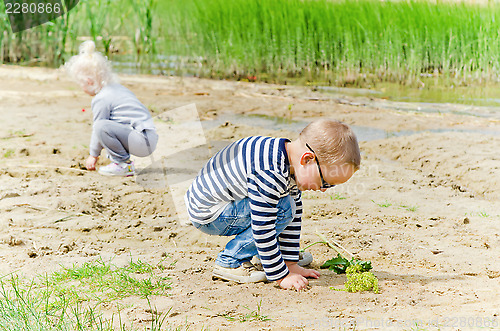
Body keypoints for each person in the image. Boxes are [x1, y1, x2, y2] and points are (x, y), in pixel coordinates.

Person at [185, 119, 360, 290]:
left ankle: (272, 256)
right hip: (209, 212)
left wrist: (290, 263)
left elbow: (295, 214)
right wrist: (282, 275)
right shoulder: (270, 171)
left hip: (226, 204)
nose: (323, 190)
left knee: (288, 206)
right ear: (308, 159)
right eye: (325, 182)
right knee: (283, 209)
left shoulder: (286, 160)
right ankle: (230, 261)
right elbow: (263, 226)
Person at [64, 41, 158, 176]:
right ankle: (121, 161)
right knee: (110, 125)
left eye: (81, 84)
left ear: (89, 82)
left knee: (101, 126)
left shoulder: (101, 98)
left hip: (140, 141)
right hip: (150, 138)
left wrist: (93, 155)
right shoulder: (118, 89)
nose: (82, 89)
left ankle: (122, 164)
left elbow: (98, 128)